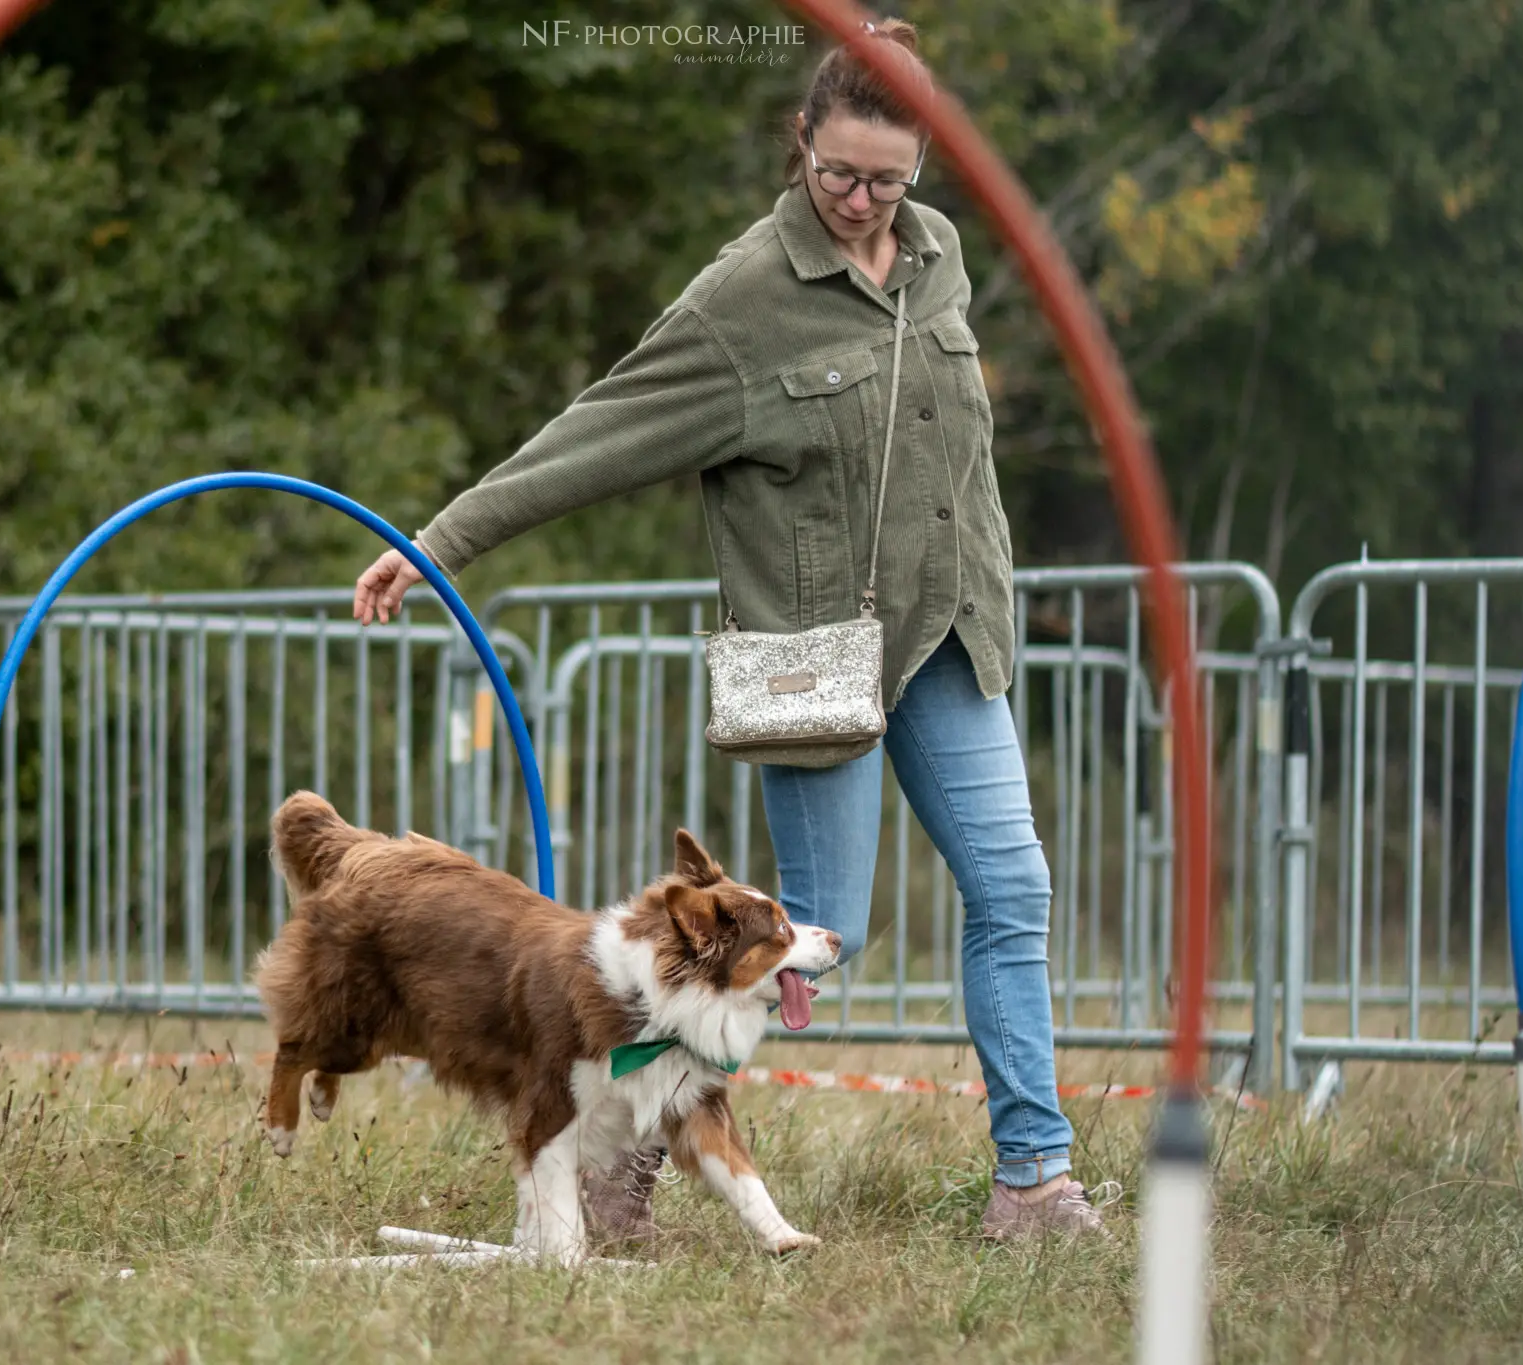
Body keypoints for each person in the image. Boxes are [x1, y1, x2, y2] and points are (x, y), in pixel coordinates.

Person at [350, 17, 1103, 1244]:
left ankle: (1032, 1180)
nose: (862, 202)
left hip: (951, 638)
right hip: (812, 665)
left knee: (1012, 887)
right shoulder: (742, 301)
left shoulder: (940, 259)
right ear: (799, 141)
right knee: (807, 937)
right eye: (839, 174)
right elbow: (591, 434)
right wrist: (440, 544)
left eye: (889, 180)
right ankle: (625, 1167)